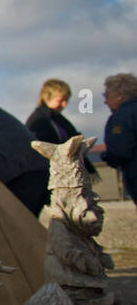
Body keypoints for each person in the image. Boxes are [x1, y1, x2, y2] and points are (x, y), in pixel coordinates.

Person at [24, 78, 98, 179]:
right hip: (52, 174)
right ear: (47, 97)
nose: (64, 105)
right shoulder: (39, 121)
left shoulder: (58, 120)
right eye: (60, 100)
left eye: (66, 100)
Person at [101, 72, 137, 209]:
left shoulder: (121, 118)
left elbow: (120, 151)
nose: (105, 101)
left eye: (107, 95)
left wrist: (106, 156)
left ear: (120, 95)